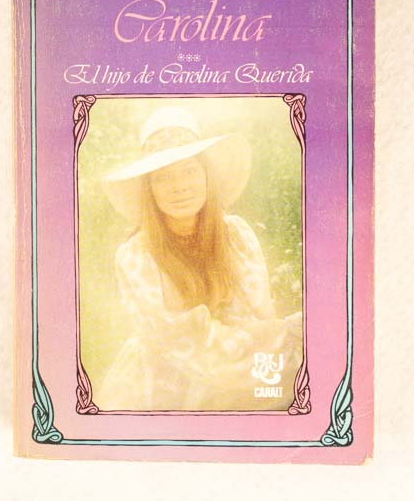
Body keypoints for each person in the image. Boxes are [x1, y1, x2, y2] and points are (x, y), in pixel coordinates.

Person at [99, 106, 302, 411]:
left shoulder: (236, 235)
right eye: (163, 177)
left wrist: (274, 344)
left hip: (242, 362)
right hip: (167, 380)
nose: (179, 186)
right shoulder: (136, 255)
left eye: (190, 171)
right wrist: (266, 342)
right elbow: (177, 343)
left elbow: (259, 316)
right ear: (149, 189)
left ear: (207, 177)